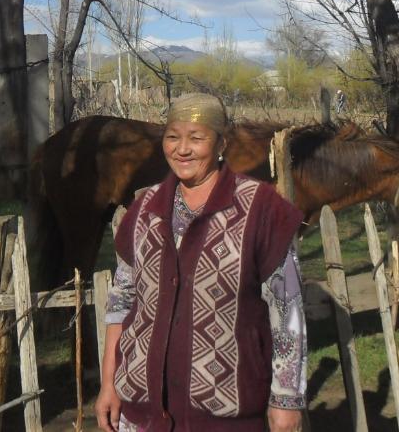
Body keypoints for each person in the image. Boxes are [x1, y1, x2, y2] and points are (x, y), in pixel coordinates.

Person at [95, 93, 307, 432]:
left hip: (225, 416)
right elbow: (121, 301)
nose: (182, 149)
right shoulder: (146, 209)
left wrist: (286, 398)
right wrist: (109, 383)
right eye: (172, 137)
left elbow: (287, 307)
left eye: (196, 138)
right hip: (141, 414)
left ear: (221, 143)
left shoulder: (261, 209)